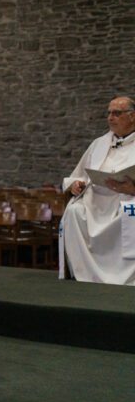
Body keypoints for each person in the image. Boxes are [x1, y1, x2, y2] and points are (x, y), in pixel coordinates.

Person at [60, 96, 135, 285]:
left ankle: (127, 278)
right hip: (96, 202)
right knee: (74, 211)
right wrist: (76, 184)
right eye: (109, 113)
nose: (110, 117)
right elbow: (79, 175)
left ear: (132, 116)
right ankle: (84, 273)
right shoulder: (98, 143)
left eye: (116, 113)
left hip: (127, 200)